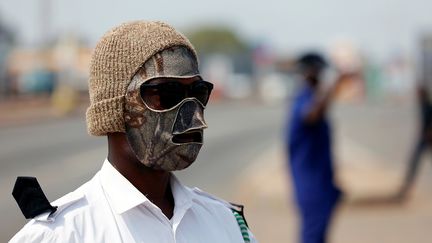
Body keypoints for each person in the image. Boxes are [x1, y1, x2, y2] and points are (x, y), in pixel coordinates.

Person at [10, 20, 256, 243]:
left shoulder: (226, 223)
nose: (194, 114)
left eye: (198, 93)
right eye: (167, 94)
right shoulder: (61, 234)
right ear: (117, 109)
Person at [286, 52, 346, 243]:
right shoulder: (303, 99)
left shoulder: (310, 97)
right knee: (312, 236)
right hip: (311, 185)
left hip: (321, 183)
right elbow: (311, 115)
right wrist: (332, 87)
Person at [395, 83, 432, 201]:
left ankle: (407, 189)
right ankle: (407, 189)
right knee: (414, 162)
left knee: (414, 162)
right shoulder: (423, 103)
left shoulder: (427, 104)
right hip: (424, 136)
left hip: (428, 136)